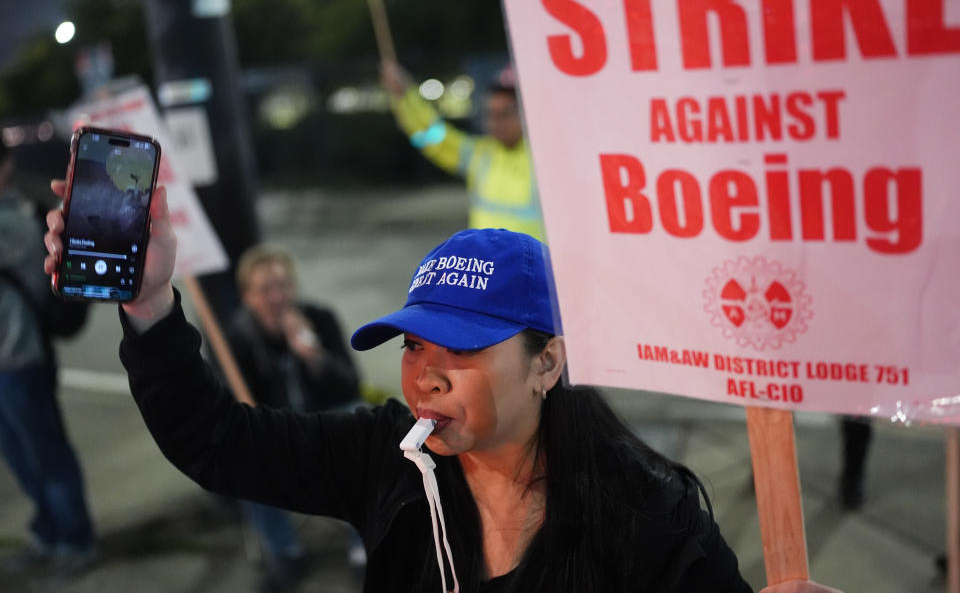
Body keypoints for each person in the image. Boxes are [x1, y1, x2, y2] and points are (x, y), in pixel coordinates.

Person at [42, 183, 843, 593]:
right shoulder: (387, 459)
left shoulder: (651, 516)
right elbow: (215, 442)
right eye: (414, 342)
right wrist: (148, 304)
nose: (424, 372)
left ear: (547, 364)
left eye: (459, 347)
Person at [227, 244, 364, 591]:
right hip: (278, 436)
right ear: (247, 297)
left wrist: (314, 357)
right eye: (265, 289)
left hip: (326, 426)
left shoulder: (320, 318)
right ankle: (284, 553)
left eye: (284, 285)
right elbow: (236, 409)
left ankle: (365, 551)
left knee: (360, 431)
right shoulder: (239, 338)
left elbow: (351, 386)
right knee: (241, 456)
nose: (277, 297)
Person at [0, 143, 95, 576]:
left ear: (6, 169)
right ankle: (47, 531)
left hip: (23, 360)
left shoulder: (18, 220)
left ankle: (75, 541)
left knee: (47, 454)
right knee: (19, 455)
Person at [382, 60, 546, 242]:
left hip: (532, 268)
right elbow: (431, 135)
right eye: (490, 115)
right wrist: (405, 97)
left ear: (525, 113)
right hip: (484, 266)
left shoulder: (546, 159)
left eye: (504, 115)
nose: (495, 124)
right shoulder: (480, 153)